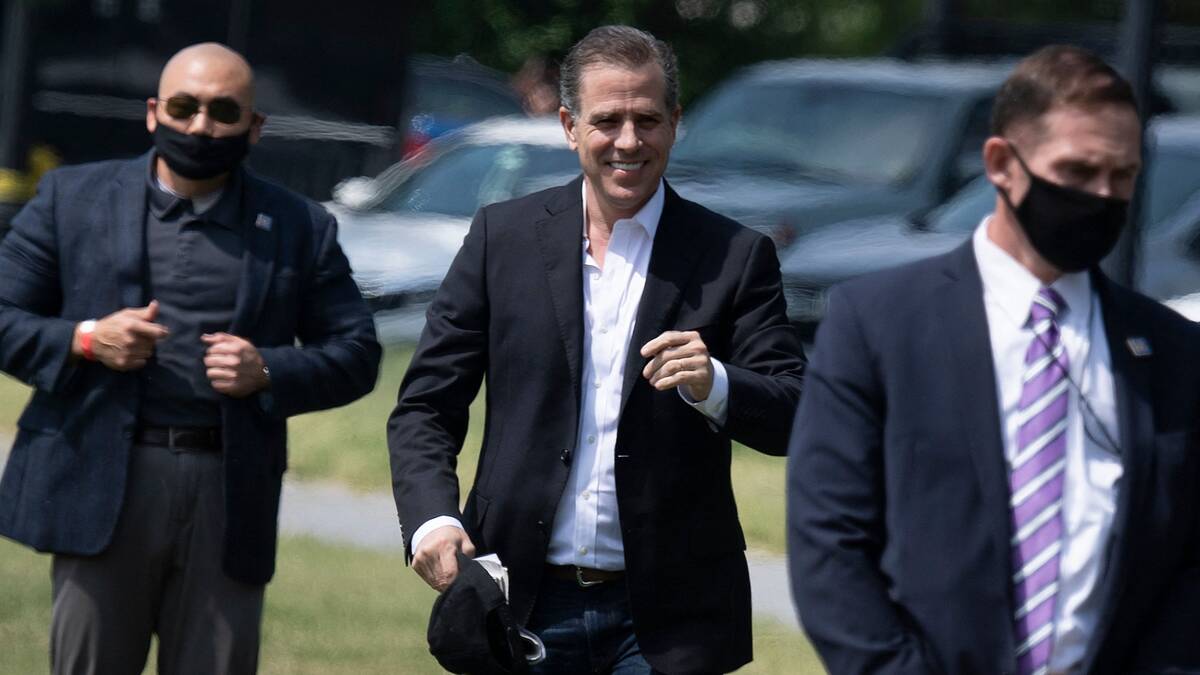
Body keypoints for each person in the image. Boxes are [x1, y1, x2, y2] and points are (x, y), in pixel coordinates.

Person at [388, 25, 805, 675]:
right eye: (608, 120)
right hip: (522, 601)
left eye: (647, 119)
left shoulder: (736, 255)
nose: (629, 141)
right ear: (569, 125)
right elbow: (425, 405)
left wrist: (715, 383)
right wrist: (432, 521)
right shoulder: (504, 238)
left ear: (676, 122)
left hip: (666, 616)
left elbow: (793, 410)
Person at [787, 45, 1200, 674]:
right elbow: (829, 545)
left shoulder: (1171, 351)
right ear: (1003, 164)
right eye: (1077, 172)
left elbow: (1186, 560)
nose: (1103, 196)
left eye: (1122, 177)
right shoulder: (879, 326)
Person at [0, 43, 380, 674]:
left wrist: (269, 369)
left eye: (223, 111)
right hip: (101, 480)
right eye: (184, 106)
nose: (201, 125)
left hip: (228, 491)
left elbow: (358, 352)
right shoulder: (73, 199)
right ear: (154, 113)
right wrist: (86, 340)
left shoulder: (298, 226)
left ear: (254, 127)